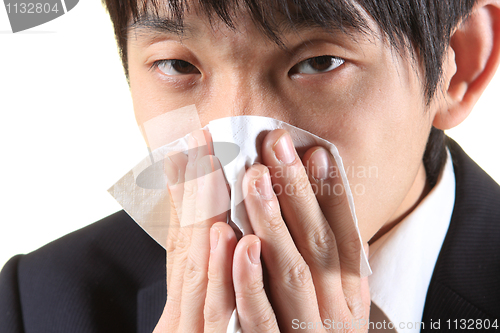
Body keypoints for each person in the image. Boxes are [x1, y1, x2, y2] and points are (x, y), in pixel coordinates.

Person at [1, 0, 499, 332]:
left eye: (319, 62)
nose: (238, 159)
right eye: (178, 66)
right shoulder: (41, 301)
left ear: (461, 61)